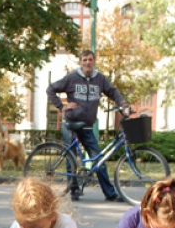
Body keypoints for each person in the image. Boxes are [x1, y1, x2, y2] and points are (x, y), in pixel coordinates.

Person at [46, 50, 130, 202]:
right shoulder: (71, 78)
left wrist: (124, 104)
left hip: (87, 125)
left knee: (98, 159)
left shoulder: (100, 79)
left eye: (90, 59)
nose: (87, 63)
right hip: (71, 123)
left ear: (94, 61)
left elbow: (113, 92)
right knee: (71, 157)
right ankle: (74, 190)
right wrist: (62, 106)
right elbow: (50, 89)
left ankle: (110, 193)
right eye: (84, 60)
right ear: (80, 62)